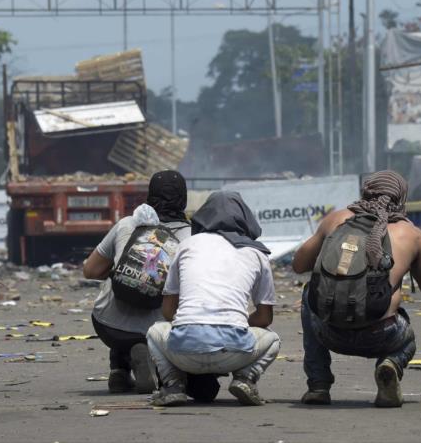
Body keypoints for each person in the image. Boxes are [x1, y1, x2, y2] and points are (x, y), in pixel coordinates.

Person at [292, 170, 421, 407]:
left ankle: (318, 385)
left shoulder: (336, 219)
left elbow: (298, 265)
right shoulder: (411, 234)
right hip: (381, 336)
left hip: (329, 330)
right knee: (407, 338)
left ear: (364, 192)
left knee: (309, 290)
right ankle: (390, 363)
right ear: (401, 199)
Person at [146, 191, 281, 407]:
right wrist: (232, 320)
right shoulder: (256, 254)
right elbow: (265, 318)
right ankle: (246, 379)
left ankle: (173, 385)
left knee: (154, 332)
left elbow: (169, 312)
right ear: (245, 219)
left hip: (183, 351)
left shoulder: (187, 245)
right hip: (234, 352)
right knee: (272, 339)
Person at [83, 170, 191, 395]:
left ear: (150, 195)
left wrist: (124, 270)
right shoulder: (191, 237)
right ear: (184, 199)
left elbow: (90, 270)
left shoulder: (127, 224)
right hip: (160, 331)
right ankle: (160, 365)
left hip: (107, 324)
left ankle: (119, 371)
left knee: (123, 296)